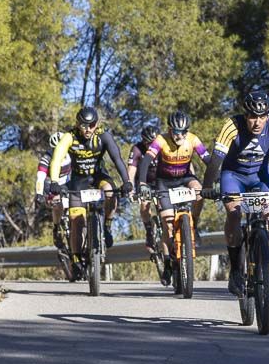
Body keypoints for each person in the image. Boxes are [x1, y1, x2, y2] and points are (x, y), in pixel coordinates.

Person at [200, 91, 269, 295]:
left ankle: (268, 264)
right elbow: (216, 160)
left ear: (268, 115)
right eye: (252, 116)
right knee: (234, 215)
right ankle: (235, 271)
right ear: (245, 115)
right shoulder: (231, 125)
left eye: (262, 116)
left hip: (261, 178)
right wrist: (207, 187)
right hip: (233, 177)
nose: (258, 122)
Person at [48, 106, 132, 260]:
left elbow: (117, 159)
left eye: (92, 125)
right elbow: (57, 159)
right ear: (77, 124)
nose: (88, 129)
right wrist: (54, 181)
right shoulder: (69, 137)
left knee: (110, 192)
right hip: (78, 181)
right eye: (84, 125)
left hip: (99, 176)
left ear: (97, 124)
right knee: (76, 222)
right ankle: (76, 257)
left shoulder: (103, 136)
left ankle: (107, 225)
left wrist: (126, 181)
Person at [136, 111, 208, 256]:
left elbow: (208, 160)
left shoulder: (193, 139)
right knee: (168, 224)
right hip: (164, 182)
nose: (179, 136)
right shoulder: (161, 140)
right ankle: (168, 259)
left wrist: (217, 180)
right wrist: (143, 183)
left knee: (200, 192)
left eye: (184, 132)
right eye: (176, 132)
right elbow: (145, 161)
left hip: (185, 177)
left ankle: (194, 224)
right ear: (169, 130)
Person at [35, 132, 71, 254]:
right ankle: (56, 228)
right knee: (57, 204)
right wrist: (39, 193)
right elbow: (40, 178)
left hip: (67, 182)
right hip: (51, 184)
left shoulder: (71, 153)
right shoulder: (46, 158)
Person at [127, 123, 161, 252]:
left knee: (163, 207)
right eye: (148, 143)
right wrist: (130, 188)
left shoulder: (163, 147)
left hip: (160, 182)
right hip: (144, 182)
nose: (151, 147)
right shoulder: (137, 149)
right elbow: (131, 170)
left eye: (154, 143)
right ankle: (149, 231)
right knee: (145, 204)